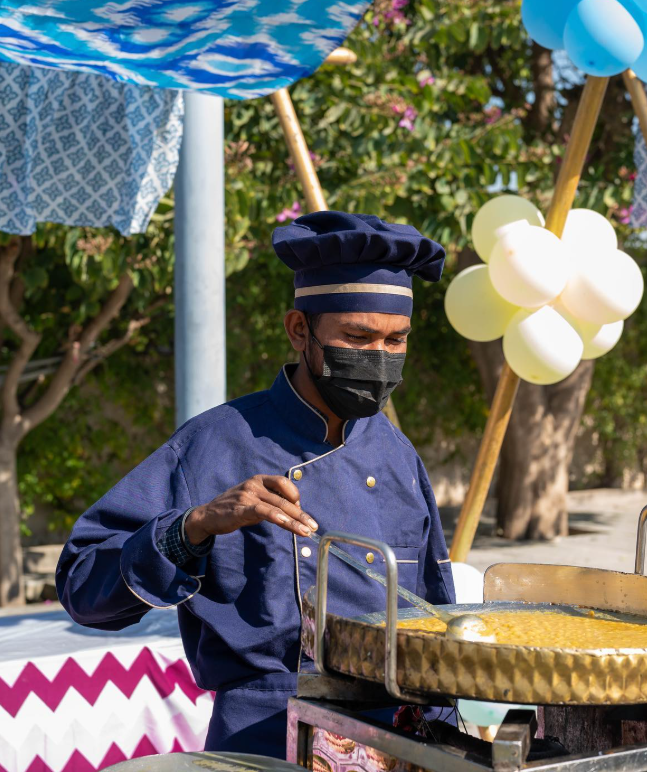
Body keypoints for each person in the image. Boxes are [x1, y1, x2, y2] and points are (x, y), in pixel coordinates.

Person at [56, 211, 456, 758]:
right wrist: (192, 528)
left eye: (396, 341)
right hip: (262, 737)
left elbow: (434, 617)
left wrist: (444, 739)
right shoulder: (213, 444)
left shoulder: (396, 453)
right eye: (358, 337)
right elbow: (82, 588)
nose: (379, 360)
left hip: (397, 739)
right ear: (299, 330)